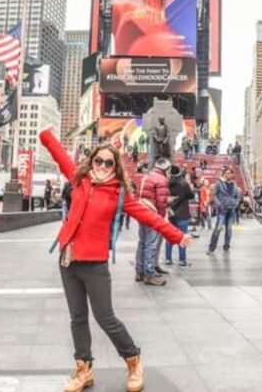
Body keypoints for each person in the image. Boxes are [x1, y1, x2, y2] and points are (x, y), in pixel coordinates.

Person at [39, 127, 191, 392]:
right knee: (77, 317)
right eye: (98, 160)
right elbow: (60, 156)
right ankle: (83, 369)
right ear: (92, 161)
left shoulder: (119, 193)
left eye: (108, 162)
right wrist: (45, 135)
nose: (102, 165)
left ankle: (133, 360)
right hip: (68, 260)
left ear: (115, 166)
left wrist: (177, 236)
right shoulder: (78, 179)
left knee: (105, 317)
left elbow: (150, 217)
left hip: (95, 264)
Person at [135, 158, 172, 285]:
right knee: (151, 244)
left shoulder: (146, 177)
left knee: (142, 242)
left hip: (142, 212)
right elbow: (161, 202)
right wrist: (160, 220)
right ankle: (149, 274)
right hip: (153, 214)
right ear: (166, 169)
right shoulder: (162, 180)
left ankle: (139, 271)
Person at [165, 166, 195, 267]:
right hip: (182, 213)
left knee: (169, 237)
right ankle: (182, 260)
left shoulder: (167, 183)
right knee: (182, 237)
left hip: (171, 213)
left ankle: (168, 259)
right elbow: (191, 195)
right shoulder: (184, 183)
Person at [207, 167, 240, 255]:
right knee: (217, 229)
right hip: (222, 210)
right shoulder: (219, 183)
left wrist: (235, 204)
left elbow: (237, 196)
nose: (227, 174)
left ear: (232, 174)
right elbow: (214, 195)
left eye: (229, 173)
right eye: (226, 173)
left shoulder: (234, 184)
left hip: (231, 210)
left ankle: (226, 246)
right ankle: (211, 247)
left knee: (229, 230)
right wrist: (219, 205)